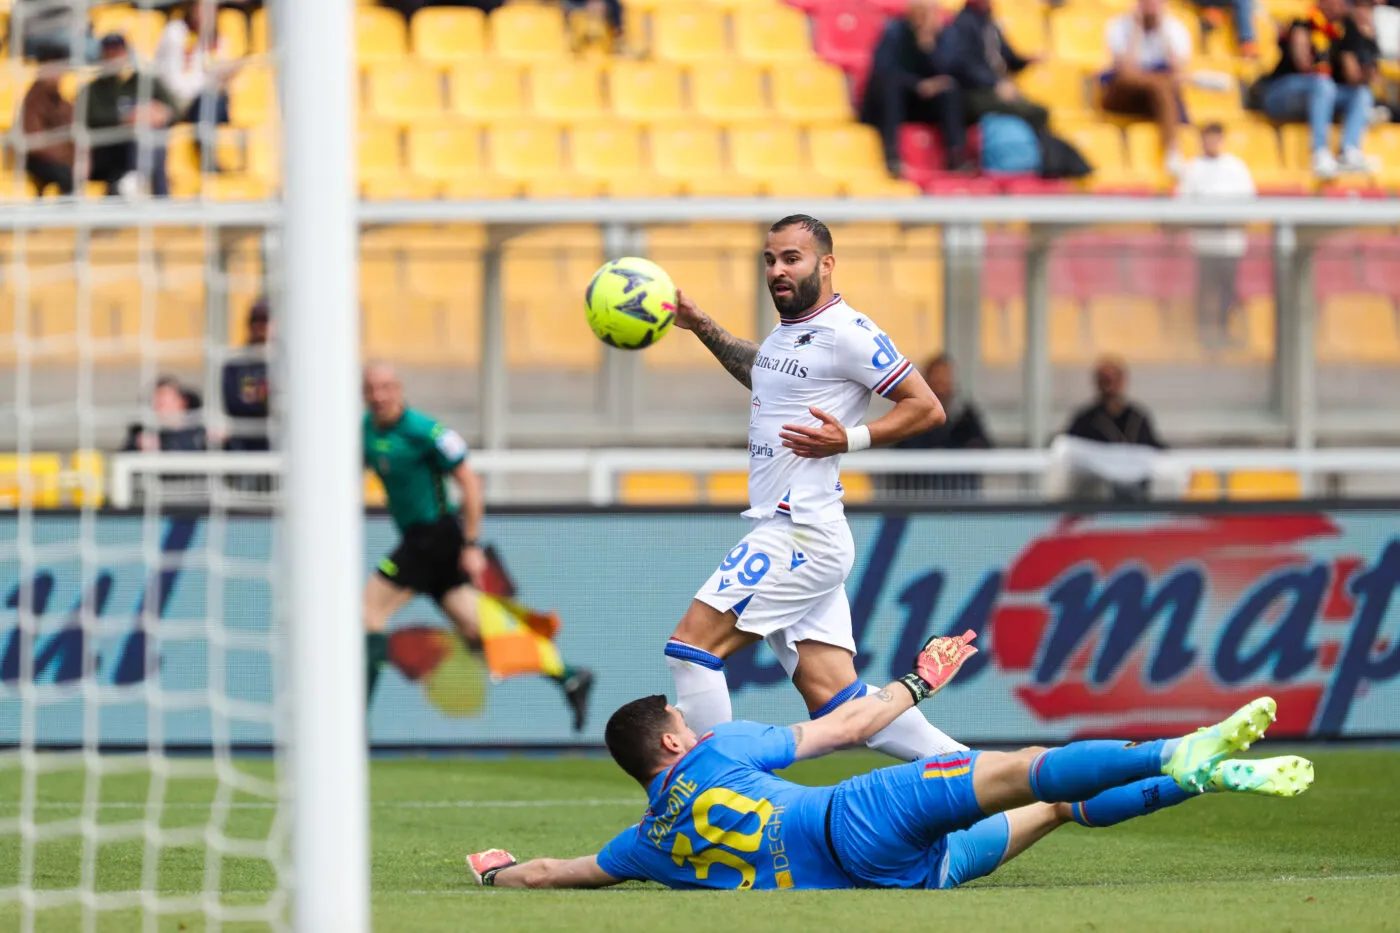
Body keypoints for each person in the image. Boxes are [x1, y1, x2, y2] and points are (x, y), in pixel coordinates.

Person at [467, 635, 1312, 891]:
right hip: (859, 817)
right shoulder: (722, 748)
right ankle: (1180, 752)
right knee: (1029, 770)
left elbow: (553, 871)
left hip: (902, 881)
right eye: (684, 717)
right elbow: (846, 726)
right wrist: (921, 679)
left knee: (1053, 808)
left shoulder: (642, 842)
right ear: (676, 740)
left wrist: (493, 874)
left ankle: (1199, 778)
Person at [662, 214, 963, 764]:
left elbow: (927, 407)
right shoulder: (789, 332)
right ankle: (973, 770)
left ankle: (714, 792)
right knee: (837, 699)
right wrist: (701, 323)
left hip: (798, 530)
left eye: (791, 259)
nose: (777, 270)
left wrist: (849, 439)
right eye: (770, 260)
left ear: (826, 264)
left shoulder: (849, 331)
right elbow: (767, 372)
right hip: (800, 529)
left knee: (692, 649)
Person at [361, 361, 594, 729]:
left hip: (434, 536)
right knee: (475, 629)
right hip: (418, 540)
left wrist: (470, 543)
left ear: (400, 389)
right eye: (371, 389)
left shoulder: (424, 431)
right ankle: (569, 676)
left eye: (386, 387)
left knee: (369, 613)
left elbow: (469, 482)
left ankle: (355, 723)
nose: (379, 396)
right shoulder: (366, 431)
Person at [1258, 0, 1373, 178]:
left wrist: (1367, 47)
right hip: (1281, 93)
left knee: (1361, 94)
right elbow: (1304, 64)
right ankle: (1320, 152)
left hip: (1320, 95)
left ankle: (1350, 150)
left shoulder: (1345, 30)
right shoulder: (1304, 22)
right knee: (1322, 84)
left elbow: (1353, 76)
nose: (1345, 7)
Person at [859, 0, 967, 177]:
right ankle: (892, 155)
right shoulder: (894, 31)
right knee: (890, 88)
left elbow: (948, 70)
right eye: (920, 11)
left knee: (950, 90)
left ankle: (956, 156)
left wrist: (928, 47)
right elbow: (883, 70)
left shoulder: (943, 35)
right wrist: (916, 85)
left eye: (928, 12)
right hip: (893, 100)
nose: (923, 17)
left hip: (922, 102)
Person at [1176, 123, 1256, 348]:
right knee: (1204, 290)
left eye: (1214, 138)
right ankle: (1203, 334)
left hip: (1230, 243)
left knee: (1227, 291)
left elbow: (1249, 202)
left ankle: (1225, 332)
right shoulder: (1192, 168)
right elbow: (1181, 204)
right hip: (1204, 243)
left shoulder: (1236, 167)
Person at [77, 33, 177, 198]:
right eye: (110, 53)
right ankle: (156, 193)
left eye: (118, 52)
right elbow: (91, 117)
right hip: (109, 149)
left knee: (150, 135)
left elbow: (173, 110)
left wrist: (159, 113)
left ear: (127, 53)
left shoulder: (145, 81)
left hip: (143, 145)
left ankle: (140, 184)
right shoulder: (92, 89)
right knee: (144, 135)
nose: (114, 57)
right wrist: (127, 118)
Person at [1101, 0, 1193, 176]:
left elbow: (1177, 72)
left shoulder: (1174, 28)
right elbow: (1127, 70)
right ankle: (1172, 150)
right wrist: (1137, 29)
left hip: (1157, 96)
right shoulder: (1118, 26)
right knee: (1160, 84)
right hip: (1123, 94)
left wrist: (1163, 32)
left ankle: (1172, 151)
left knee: (1164, 87)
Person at [889, 354, 991, 498]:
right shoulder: (911, 412)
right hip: (920, 494)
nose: (941, 383)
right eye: (937, 377)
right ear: (926, 381)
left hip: (960, 494)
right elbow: (903, 449)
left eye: (945, 377)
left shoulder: (965, 415)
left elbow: (984, 446)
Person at [937, 0, 1048, 130]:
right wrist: (995, 84)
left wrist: (1026, 61)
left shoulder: (990, 25)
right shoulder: (962, 24)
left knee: (1038, 111)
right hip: (975, 92)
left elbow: (1009, 59)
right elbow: (965, 65)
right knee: (1033, 113)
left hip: (997, 88)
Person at [155, 1, 242, 139]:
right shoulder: (176, 33)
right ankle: (209, 154)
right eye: (202, 9)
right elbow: (172, 82)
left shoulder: (218, 40)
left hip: (205, 100)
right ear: (192, 8)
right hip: (176, 101)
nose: (206, 14)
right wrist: (209, 82)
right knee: (209, 102)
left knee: (218, 103)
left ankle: (220, 152)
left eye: (211, 10)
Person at [18, 45, 77, 197]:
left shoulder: (62, 102)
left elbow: (74, 131)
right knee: (66, 175)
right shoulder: (33, 100)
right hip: (36, 161)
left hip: (59, 159)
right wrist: (66, 155)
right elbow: (35, 141)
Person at [123, 376, 208, 453]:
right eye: (155, 403)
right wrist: (137, 447)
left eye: (162, 403)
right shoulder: (143, 434)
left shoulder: (200, 434)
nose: (156, 407)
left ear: (182, 402)